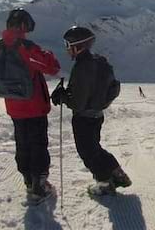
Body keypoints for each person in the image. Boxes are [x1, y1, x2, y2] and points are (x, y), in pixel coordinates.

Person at [0, 9, 60, 202]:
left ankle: (28, 179)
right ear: (24, 26)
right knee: (38, 143)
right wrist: (47, 53)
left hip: (13, 106)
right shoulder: (27, 48)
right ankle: (39, 184)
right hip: (34, 105)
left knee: (22, 142)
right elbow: (52, 68)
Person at [51, 26, 131, 196]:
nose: (66, 49)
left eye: (68, 44)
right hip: (96, 115)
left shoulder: (82, 67)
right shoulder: (100, 61)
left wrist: (62, 97)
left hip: (83, 118)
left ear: (78, 46)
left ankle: (104, 183)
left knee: (87, 152)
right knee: (94, 148)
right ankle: (117, 174)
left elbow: (78, 102)